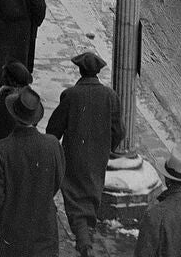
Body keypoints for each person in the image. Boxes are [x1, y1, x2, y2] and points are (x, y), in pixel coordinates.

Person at [47, 52, 124, 257]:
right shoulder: (111, 96)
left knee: (75, 198)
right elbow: (119, 131)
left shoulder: (70, 95)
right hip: (98, 156)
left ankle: (84, 242)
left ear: (80, 70)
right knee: (91, 195)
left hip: (74, 155)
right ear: (97, 72)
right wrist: (106, 147)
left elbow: (53, 129)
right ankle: (86, 235)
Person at [0, 85, 66, 257]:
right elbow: (57, 180)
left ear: (13, 115)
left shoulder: (1, 149)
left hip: (12, 230)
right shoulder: (52, 144)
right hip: (45, 229)